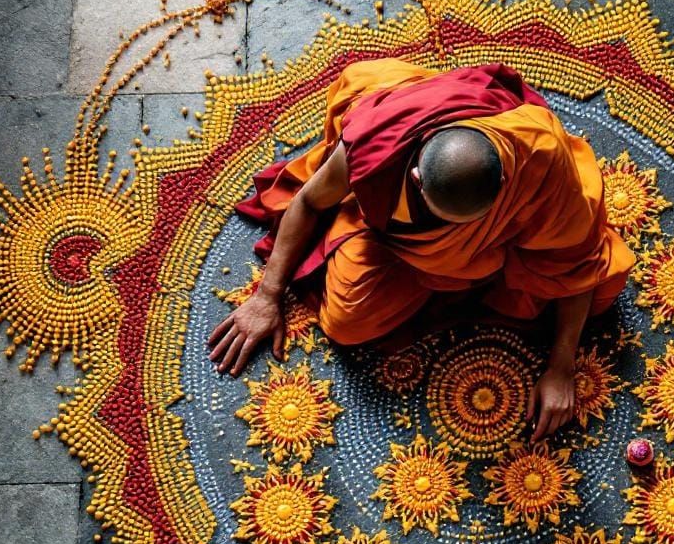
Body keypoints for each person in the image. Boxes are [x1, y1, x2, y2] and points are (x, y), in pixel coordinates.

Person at [208, 57, 635, 441]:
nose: (465, 232)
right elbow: (308, 202)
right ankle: (387, 236)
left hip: (497, 252)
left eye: (475, 222)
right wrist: (268, 294)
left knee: (604, 282)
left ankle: (463, 272)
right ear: (415, 178)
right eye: (448, 220)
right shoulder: (375, 146)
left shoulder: (540, 157)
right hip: (395, 238)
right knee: (346, 323)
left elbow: (578, 262)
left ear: (504, 182)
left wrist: (562, 366)